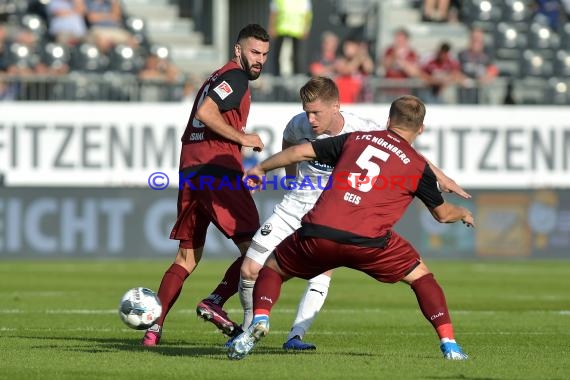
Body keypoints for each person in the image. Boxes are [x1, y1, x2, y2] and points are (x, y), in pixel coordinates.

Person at [228, 95, 474, 361]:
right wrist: (463, 213)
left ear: (388, 120)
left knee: (273, 269)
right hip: (369, 243)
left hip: (319, 232)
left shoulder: (356, 139)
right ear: (421, 129)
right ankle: (450, 344)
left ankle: (260, 319)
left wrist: (261, 168)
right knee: (422, 278)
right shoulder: (418, 165)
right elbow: (442, 215)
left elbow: (299, 152)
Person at [141, 23, 270, 347]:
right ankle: (214, 301)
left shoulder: (217, 77)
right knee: (257, 250)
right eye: (255, 52)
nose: (260, 60)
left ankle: (153, 329)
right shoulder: (235, 77)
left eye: (265, 55)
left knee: (186, 258)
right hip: (215, 172)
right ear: (238, 50)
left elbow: (205, 115)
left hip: (192, 171)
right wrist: (242, 138)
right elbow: (206, 111)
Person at [268, 0, 313, 76]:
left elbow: (307, 15)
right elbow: (274, 13)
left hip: (297, 30)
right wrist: (272, 27)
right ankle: (277, 74)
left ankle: (298, 74)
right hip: (281, 29)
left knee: (297, 56)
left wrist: (306, 29)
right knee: (278, 54)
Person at [457, 27, 499, 104]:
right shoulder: (462, 54)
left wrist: (484, 79)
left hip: (481, 90)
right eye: (474, 39)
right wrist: (462, 79)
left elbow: (493, 70)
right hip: (464, 90)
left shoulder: (487, 56)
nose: (476, 42)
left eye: (478, 39)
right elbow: (454, 70)